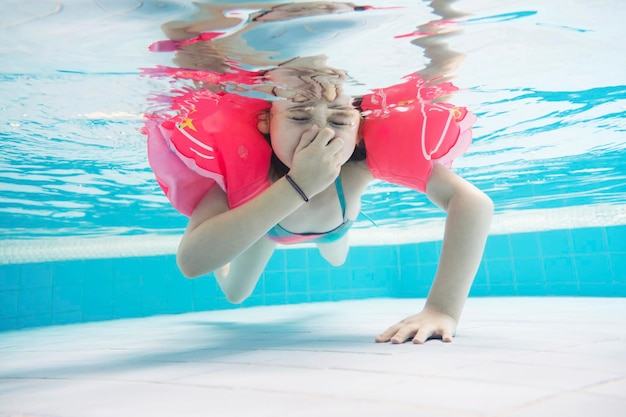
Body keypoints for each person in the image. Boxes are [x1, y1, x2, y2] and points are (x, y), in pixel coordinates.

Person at [144, 53, 493, 345]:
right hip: (265, 229)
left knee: (337, 258)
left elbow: (474, 204)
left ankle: (324, 232)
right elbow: (191, 263)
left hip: (335, 229)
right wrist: (298, 184)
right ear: (266, 121)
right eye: (298, 116)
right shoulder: (245, 180)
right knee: (236, 294)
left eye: (340, 120)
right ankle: (231, 257)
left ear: (358, 132)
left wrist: (442, 309)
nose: (321, 132)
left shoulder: (358, 171)